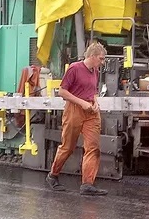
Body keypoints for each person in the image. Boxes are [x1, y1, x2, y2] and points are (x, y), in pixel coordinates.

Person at [46, 42, 108, 196]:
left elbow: (93, 91)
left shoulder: (95, 71)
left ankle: (87, 184)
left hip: (91, 112)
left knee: (93, 147)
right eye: (101, 58)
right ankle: (53, 175)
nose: (103, 62)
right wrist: (83, 103)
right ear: (92, 56)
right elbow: (62, 91)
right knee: (68, 146)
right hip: (74, 110)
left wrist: (95, 102)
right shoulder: (75, 68)